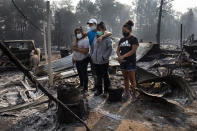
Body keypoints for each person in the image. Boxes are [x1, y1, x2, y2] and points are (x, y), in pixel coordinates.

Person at [116, 20, 139, 101]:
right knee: (125, 78)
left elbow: (133, 50)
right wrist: (119, 57)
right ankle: (127, 92)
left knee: (132, 79)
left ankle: (134, 94)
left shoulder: (134, 39)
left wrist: (123, 56)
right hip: (123, 62)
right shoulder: (121, 40)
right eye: (123, 30)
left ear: (130, 30)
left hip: (131, 62)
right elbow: (118, 50)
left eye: (125, 30)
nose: (124, 32)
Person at [87, 18, 112, 91]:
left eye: (100, 30)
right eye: (98, 30)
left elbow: (110, 49)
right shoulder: (95, 37)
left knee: (105, 76)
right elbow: (92, 47)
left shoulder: (107, 39)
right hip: (95, 60)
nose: (98, 31)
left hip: (103, 61)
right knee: (98, 76)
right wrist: (92, 55)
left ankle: (107, 90)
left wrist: (105, 57)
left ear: (104, 30)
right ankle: (99, 90)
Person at [72, 27, 90, 93]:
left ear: (82, 33)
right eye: (76, 33)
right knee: (79, 72)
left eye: (79, 33)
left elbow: (86, 50)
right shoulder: (77, 40)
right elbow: (74, 50)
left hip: (84, 59)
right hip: (77, 59)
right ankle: (81, 84)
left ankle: (85, 88)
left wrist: (77, 49)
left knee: (84, 73)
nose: (78, 34)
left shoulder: (85, 40)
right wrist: (73, 57)